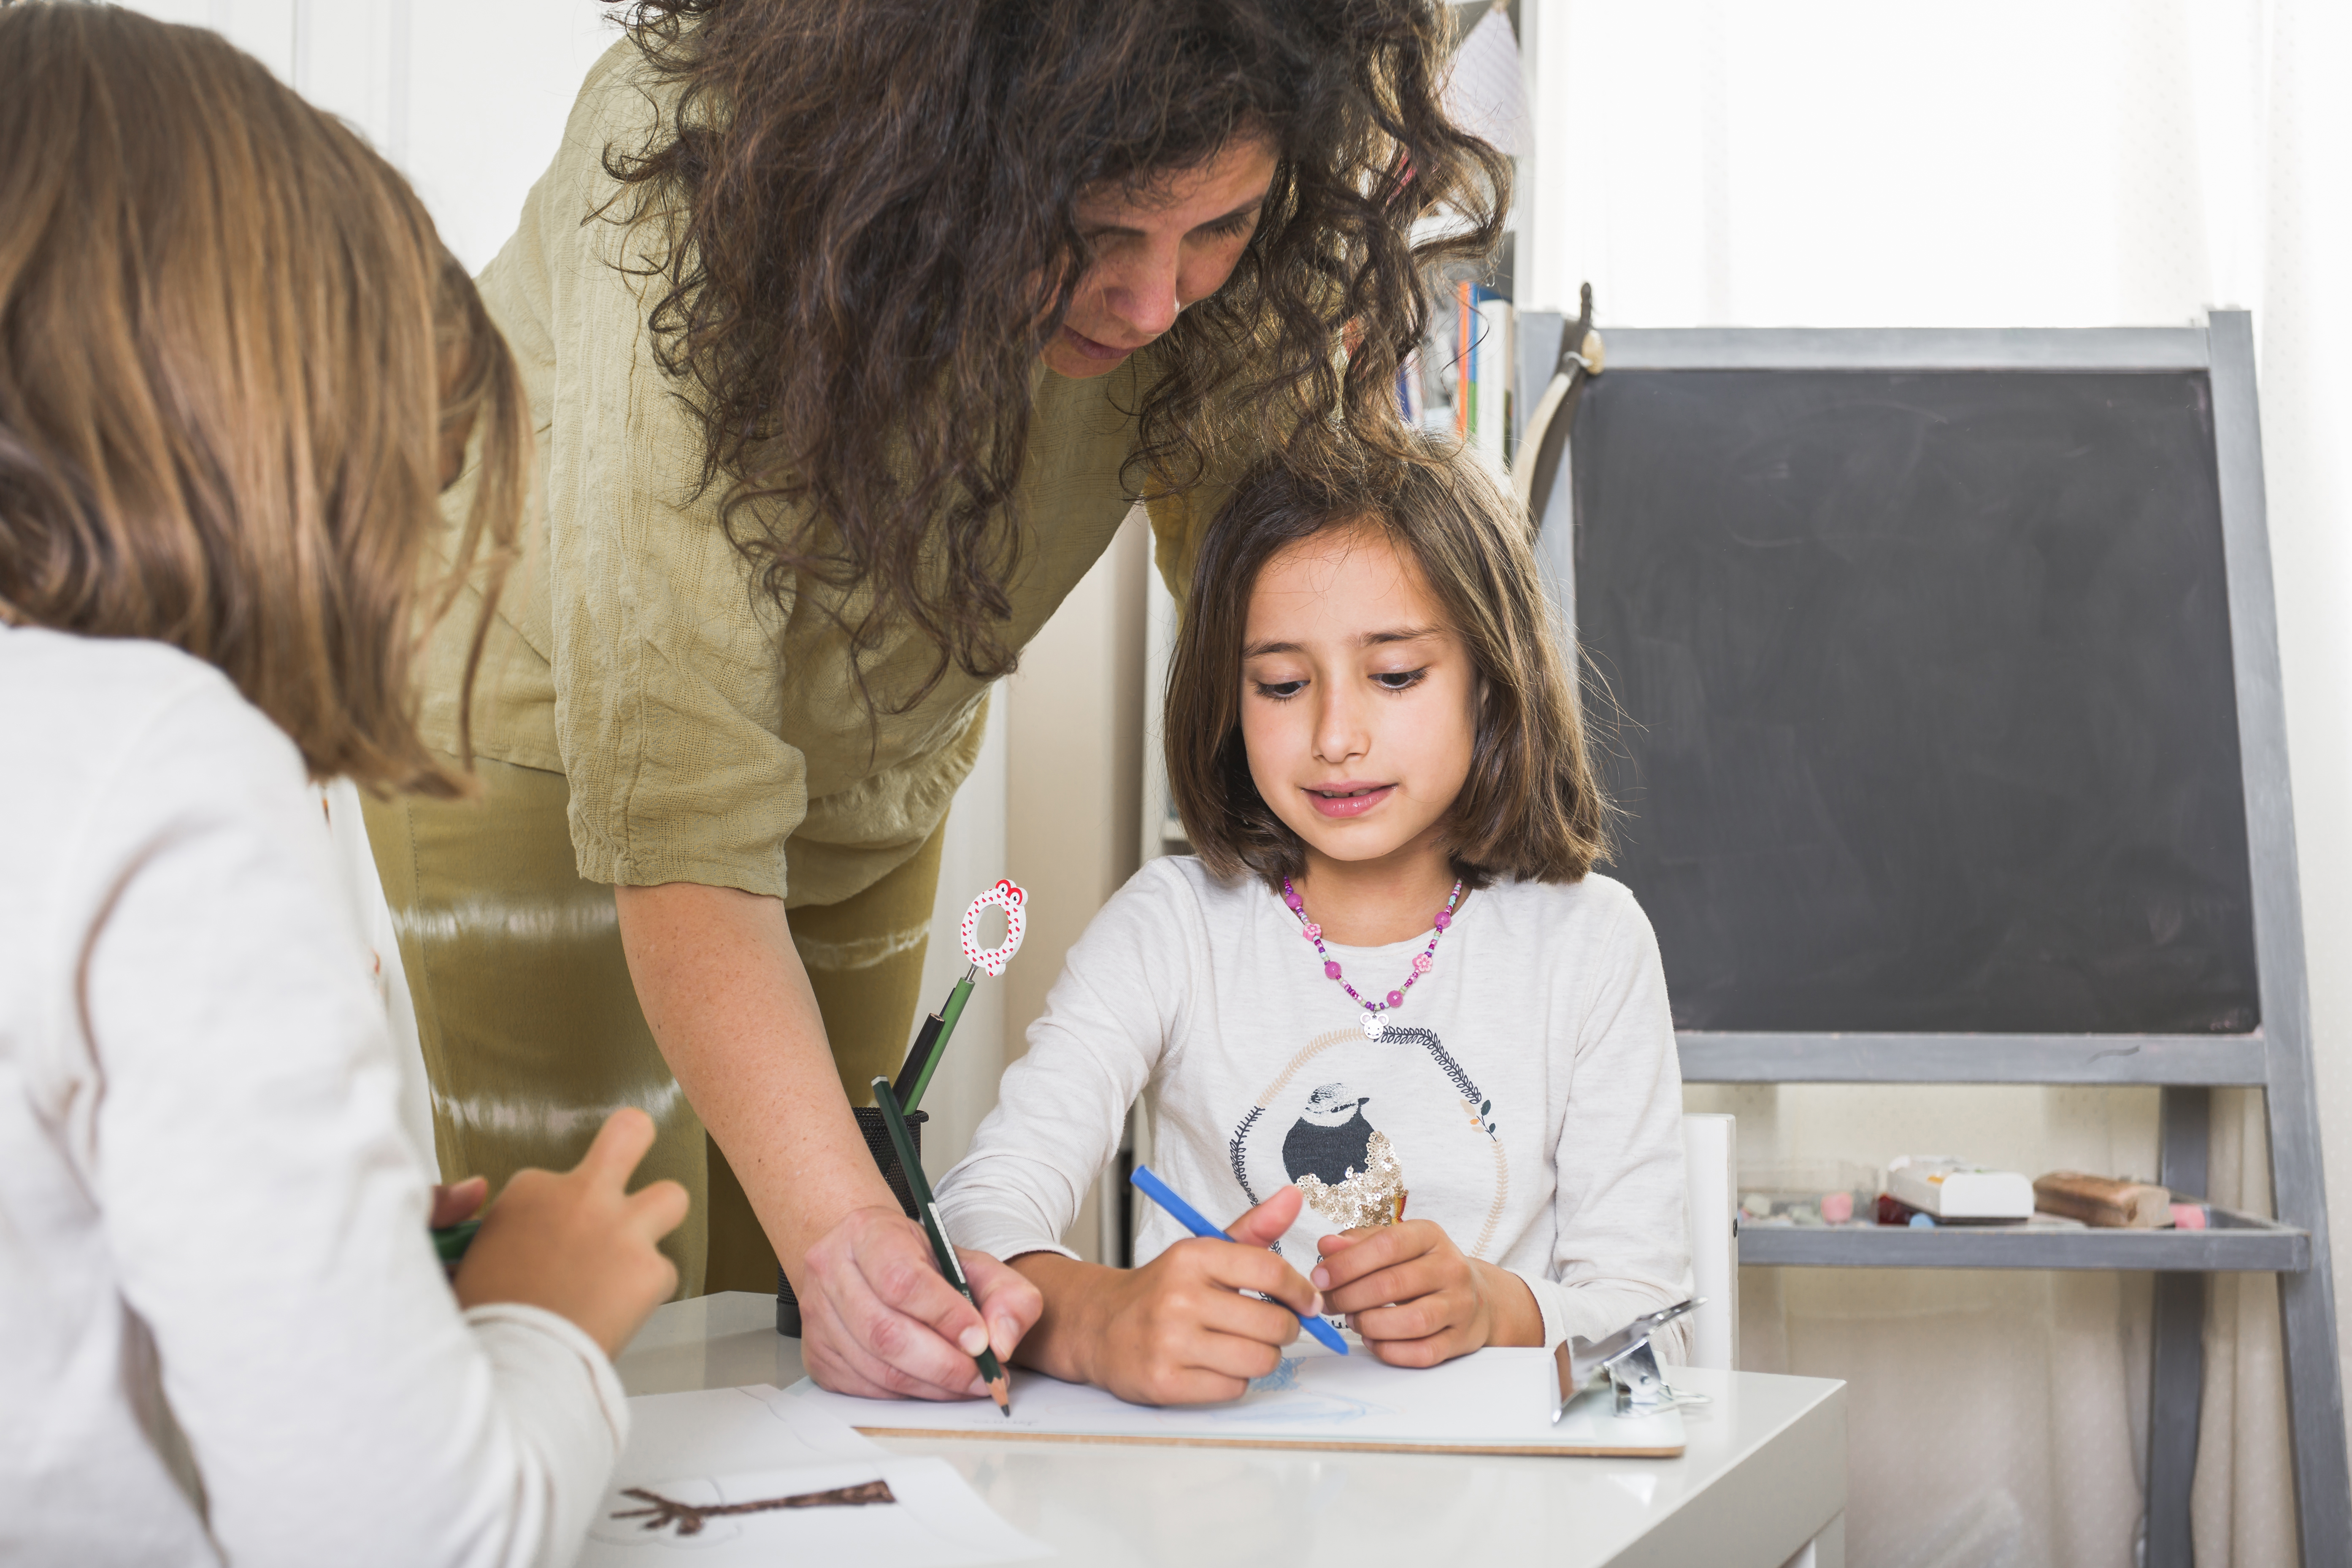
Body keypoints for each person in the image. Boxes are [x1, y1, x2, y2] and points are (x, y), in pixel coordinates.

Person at [363, 0, 1510, 1404]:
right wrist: (851, 1236)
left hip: (869, 750)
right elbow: (679, 800)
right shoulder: (685, 166)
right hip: (528, 725)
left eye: (1214, 229)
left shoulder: (1237, 222)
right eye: (1097, 238)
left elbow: (1282, 619)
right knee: (608, 1316)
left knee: (802, 1320)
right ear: (940, 164)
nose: (1156, 305)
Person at [0, 8, 686, 1563]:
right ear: (245, 433)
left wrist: (340, 1290)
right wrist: (545, 1317)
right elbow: (408, 1542)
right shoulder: (163, 760)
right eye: (388, 483)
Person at [934, 441, 1692, 1404]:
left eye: (1397, 675)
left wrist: (1498, 1310)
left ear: (1490, 682)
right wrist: (1099, 1319)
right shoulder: (1171, 928)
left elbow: (1651, 1327)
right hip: (1217, 1500)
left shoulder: (1591, 944)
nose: (1336, 736)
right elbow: (977, 1212)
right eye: (1283, 686)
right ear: (1229, 697)